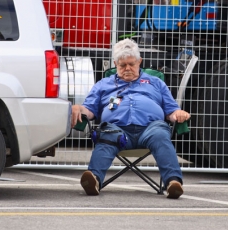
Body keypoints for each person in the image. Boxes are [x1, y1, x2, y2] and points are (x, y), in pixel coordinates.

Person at [71, 38, 190, 199]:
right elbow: (90, 110)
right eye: (122, 65)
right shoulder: (103, 84)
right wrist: (79, 108)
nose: (127, 68)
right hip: (117, 130)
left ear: (139, 61)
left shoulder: (156, 83)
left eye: (131, 64)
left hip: (151, 128)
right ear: (115, 64)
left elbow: (171, 110)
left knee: (161, 136)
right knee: (106, 136)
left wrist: (179, 114)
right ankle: (94, 180)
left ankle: (173, 182)